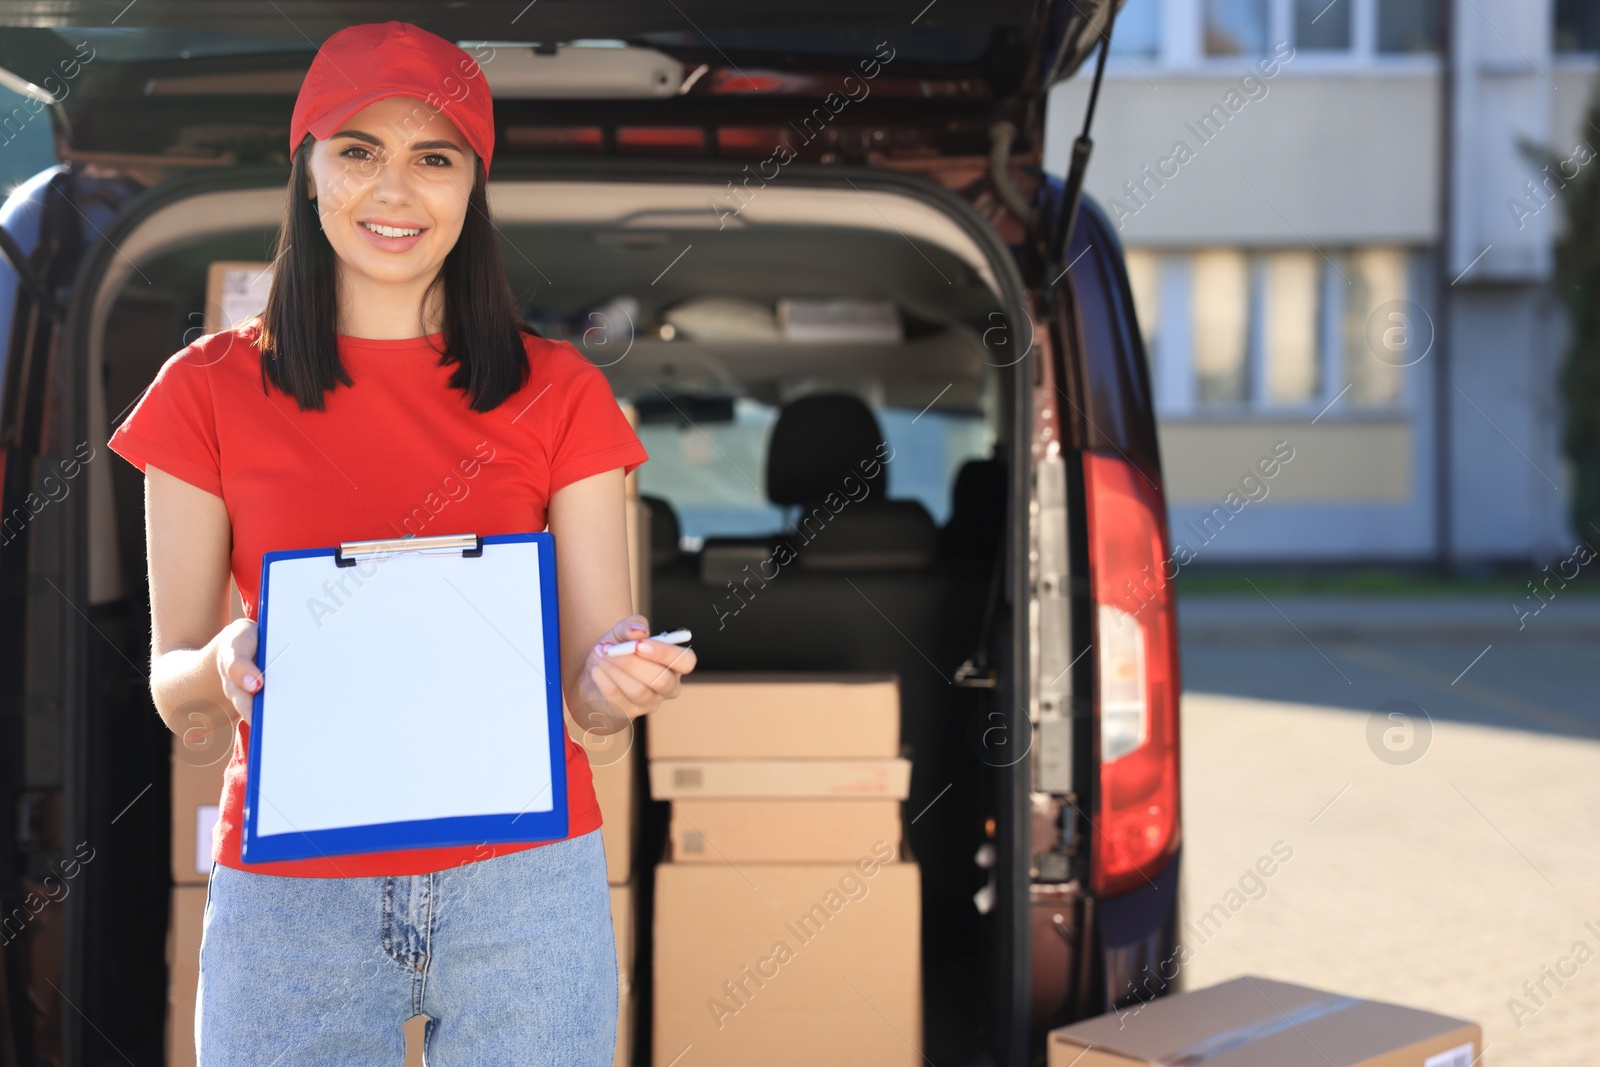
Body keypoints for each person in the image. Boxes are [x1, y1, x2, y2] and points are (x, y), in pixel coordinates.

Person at [106, 21, 695, 1066]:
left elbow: (589, 694)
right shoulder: (203, 391)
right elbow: (173, 685)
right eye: (358, 151)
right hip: (293, 893)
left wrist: (617, 678)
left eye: (434, 157)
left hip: (525, 881)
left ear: (473, 186)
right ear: (309, 167)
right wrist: (225, 661)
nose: (394, 190)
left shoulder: (558, 392)